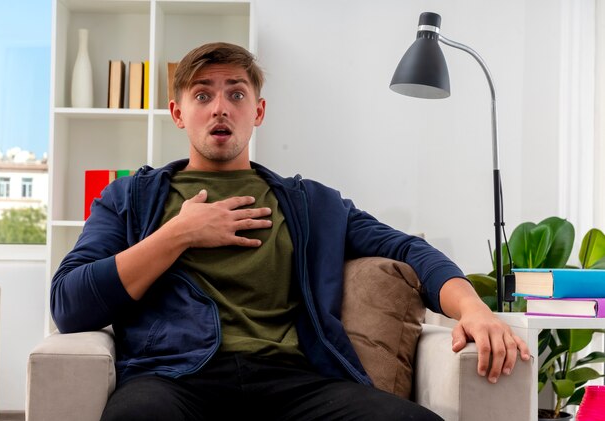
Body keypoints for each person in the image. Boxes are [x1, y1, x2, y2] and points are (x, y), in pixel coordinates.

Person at [51, 42, 530, 420]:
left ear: (258, 111)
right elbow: (69, 303)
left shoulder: (311, 204)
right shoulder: (131, 198)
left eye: (236, 93)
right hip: (173, 379)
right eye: (203, 94)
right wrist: (178, 234)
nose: (220, 107)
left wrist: (472, 306)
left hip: (291, 380)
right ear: (178, 114)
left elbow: (405, 248)